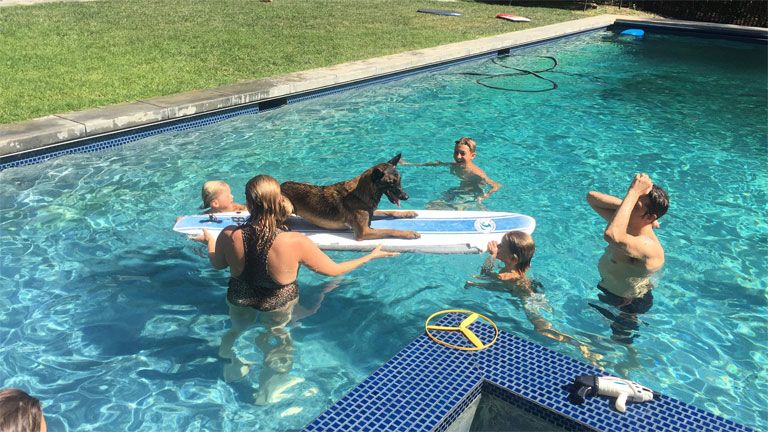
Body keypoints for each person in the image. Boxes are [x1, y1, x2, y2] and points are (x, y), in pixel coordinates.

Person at [193, 174, 398, 404]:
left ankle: (231, 362)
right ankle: (266, 391)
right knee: (277, 340)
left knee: (235, 329)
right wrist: (370, 256)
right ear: (279, 203)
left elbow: (217, 264)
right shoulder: (294, 241)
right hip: (277, 303)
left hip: (239, 297)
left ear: (248, 204)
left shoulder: (230, 234)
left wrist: (209, 241)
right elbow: (333, 270)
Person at [466, 231, 602, 366]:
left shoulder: (506, 275)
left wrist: (492, 256)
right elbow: (504, 287)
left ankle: (579, 344)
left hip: (529, 301)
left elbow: (485, 274)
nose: (498, 246)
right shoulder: (522, 267)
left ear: (513, 259)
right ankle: (583, 339)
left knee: (543, 329)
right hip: (536, 295)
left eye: (501, 246)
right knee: (553, 321)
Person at [586, 173, 669, 344]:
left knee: (621, 343)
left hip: (628, 304)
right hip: (611, 291)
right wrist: (631, 200)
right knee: (596, 337)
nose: (628, 205)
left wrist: (633, 192)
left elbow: (611, 235)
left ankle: (628, 359)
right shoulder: (628, 225)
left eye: (635, 204)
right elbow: (592, 198)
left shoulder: (647, 246)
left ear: (650, 217)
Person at [402, 137, 501, 209]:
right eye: (456, 152)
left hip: (471, 195)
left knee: (453, 208)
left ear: (472, 156)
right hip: (458, 191)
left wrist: (484, 196)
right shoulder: (456, 165)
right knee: (430, 206)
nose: (458, 157)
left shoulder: (475, 173)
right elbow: (437, 164)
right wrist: (409, 164)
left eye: (462, 153)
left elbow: (496, 185)